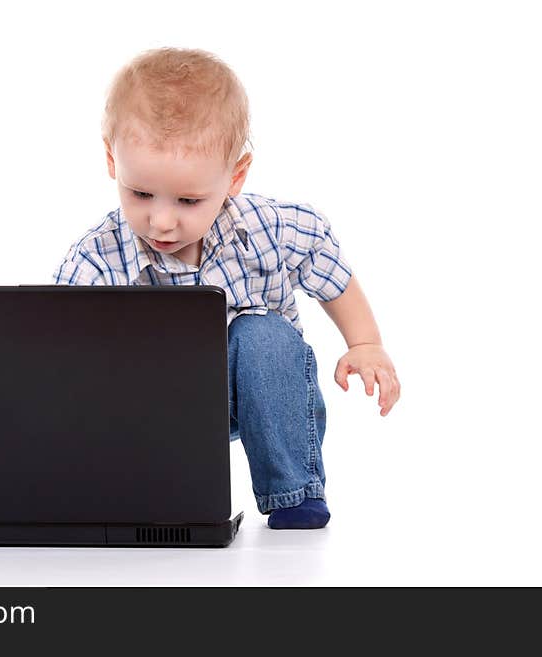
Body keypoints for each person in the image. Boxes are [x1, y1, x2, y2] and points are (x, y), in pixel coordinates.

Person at [52, 47, 400, 529]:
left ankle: (293, 492)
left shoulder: (267, 228)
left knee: (264, 334)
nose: (161, 220)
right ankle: (132, 492)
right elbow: (54, 350)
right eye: (141, 194)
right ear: (113, 161)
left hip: (256, 392)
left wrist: (365, 343)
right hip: (150, 403)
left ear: (234, 177)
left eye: (189, 200)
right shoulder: (97, 256)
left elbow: (325, 259)